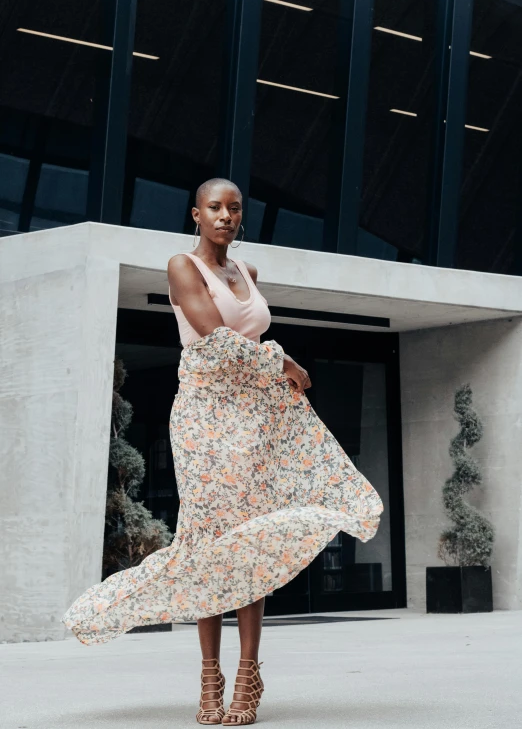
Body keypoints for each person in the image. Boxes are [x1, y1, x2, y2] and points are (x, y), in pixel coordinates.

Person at [61, 178, 384, 727]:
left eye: (234, 209)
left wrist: (272, 371)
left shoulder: (248, 274)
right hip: (205, 420)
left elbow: (250, 342)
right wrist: (284, 363)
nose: (226, 216)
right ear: (196, 213)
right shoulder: (183, 266)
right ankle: (210, 675)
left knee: (250, 544)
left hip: (254, 420)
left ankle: (249, 674)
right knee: (211, 543)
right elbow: (213, 337)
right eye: (215, 207)